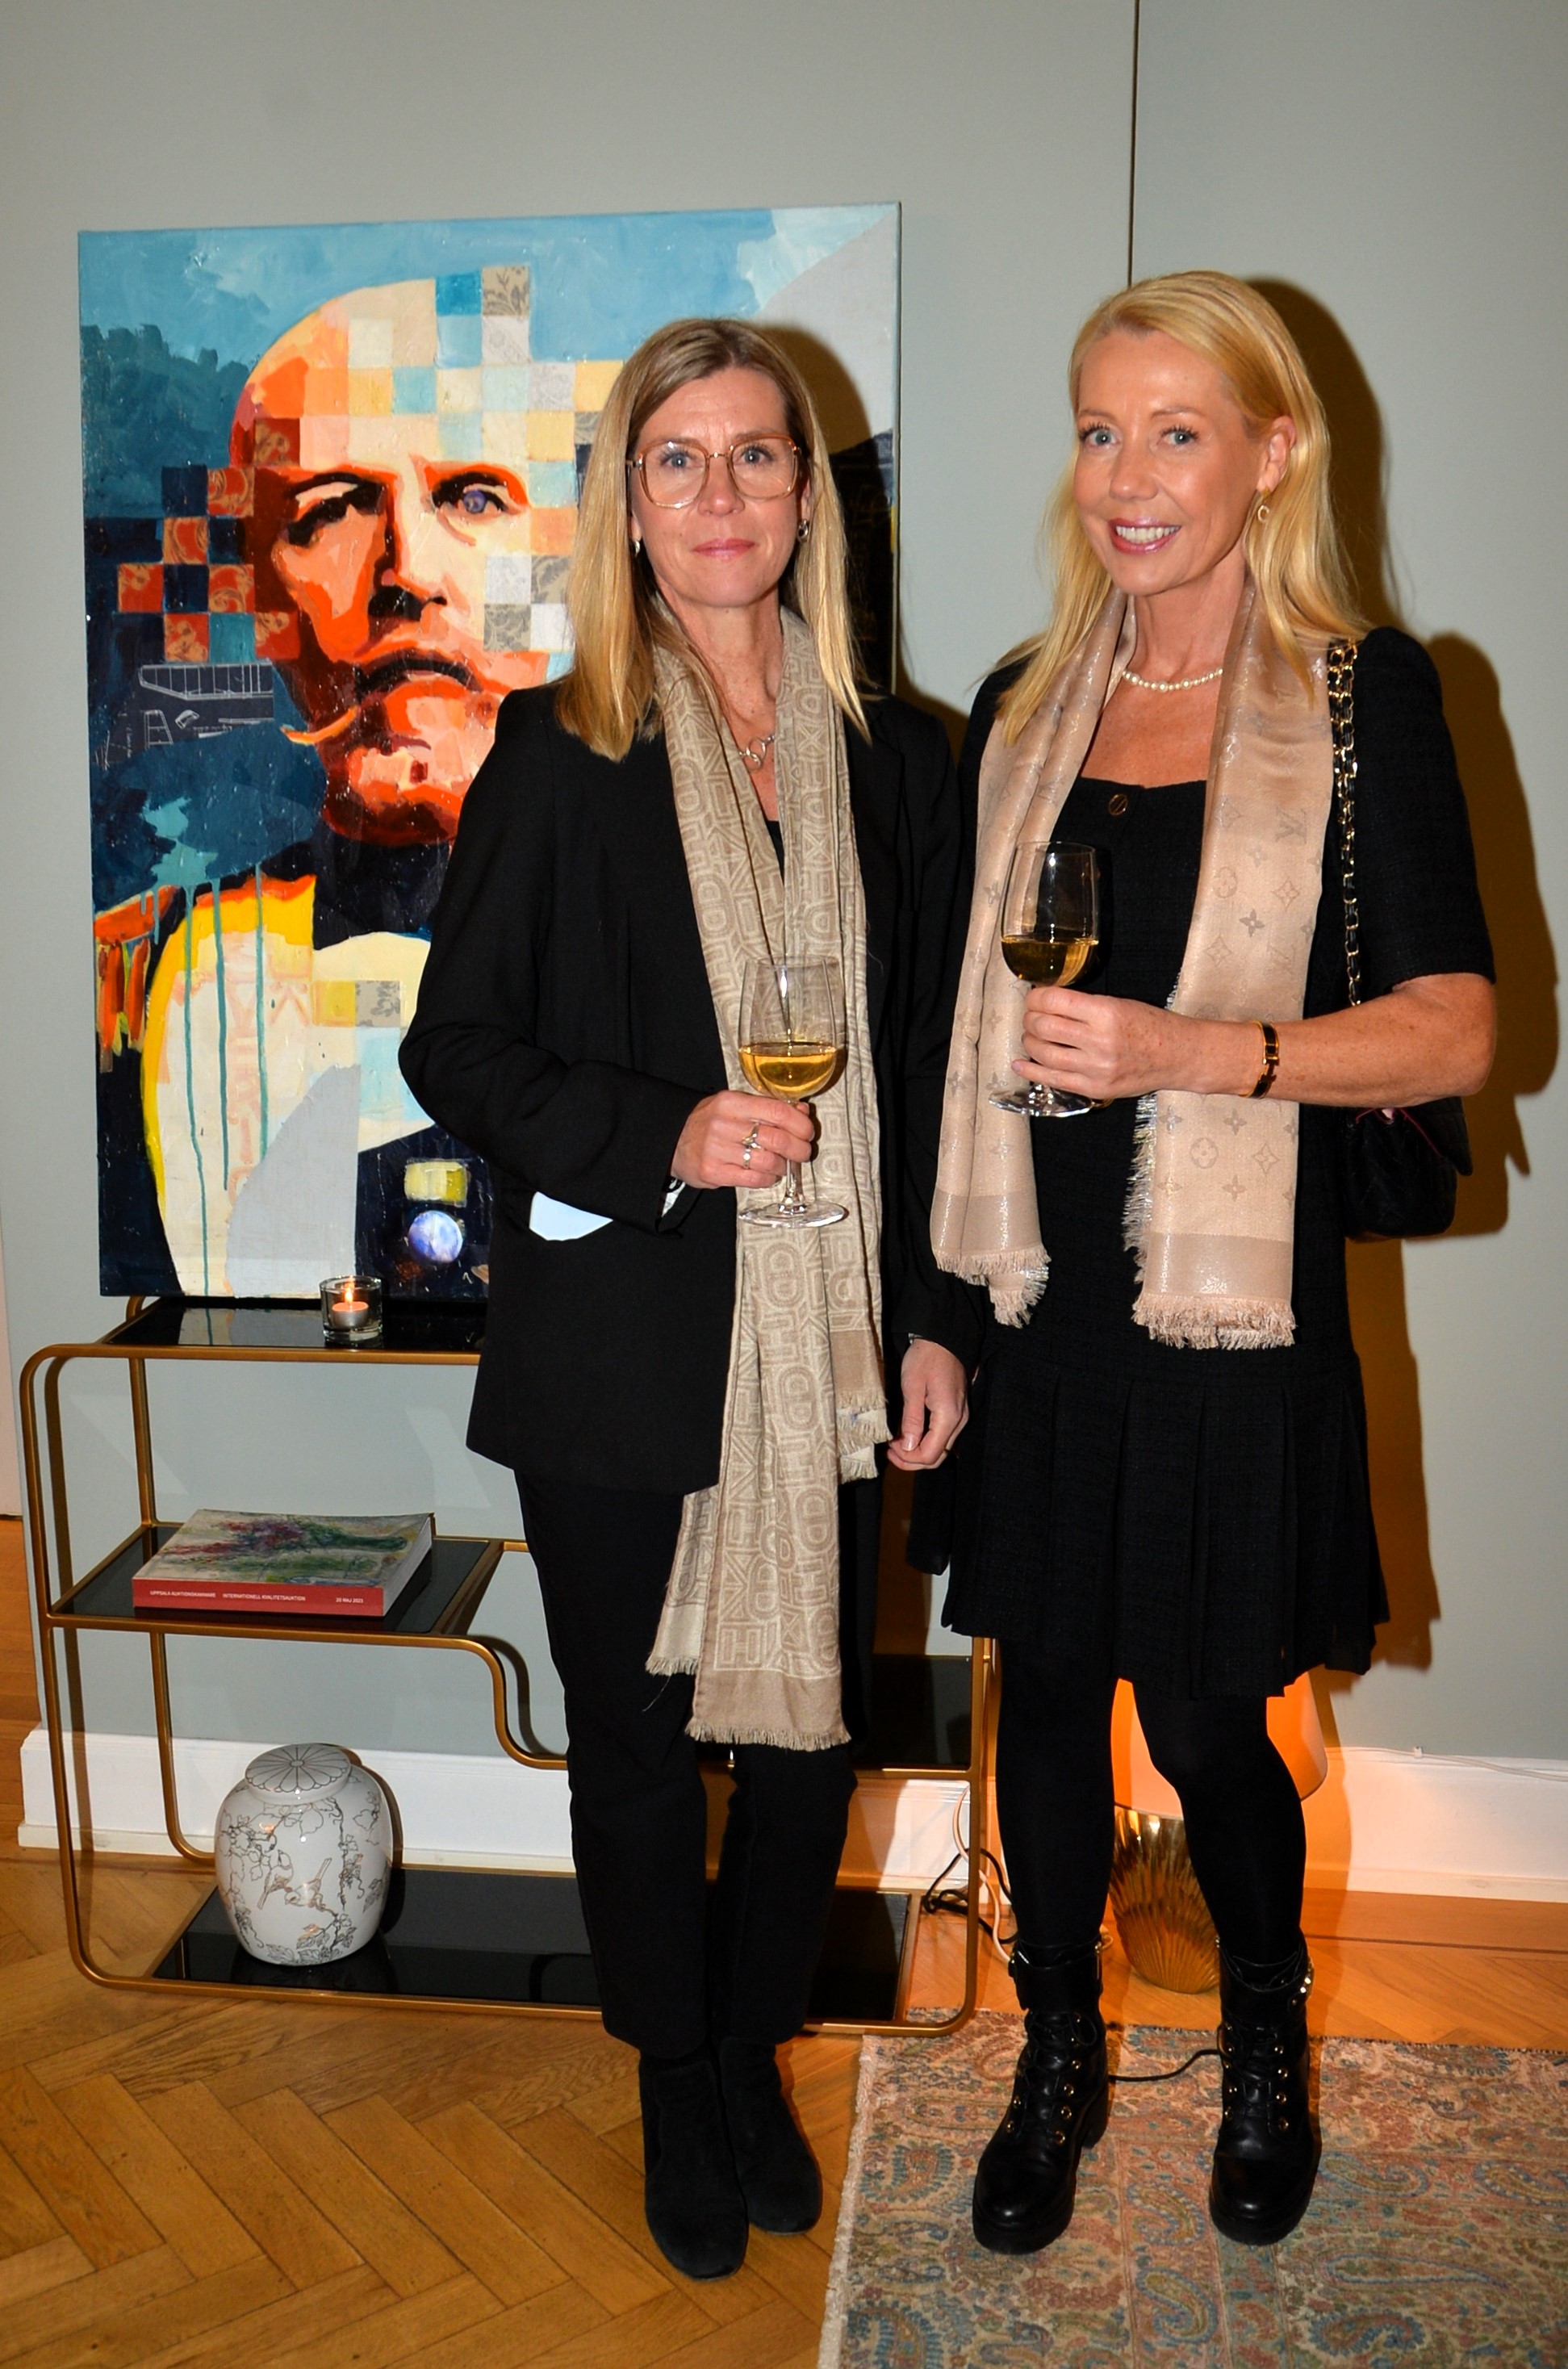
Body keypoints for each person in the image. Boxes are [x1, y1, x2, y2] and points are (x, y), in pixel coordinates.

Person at [399, 316, 977, 2279]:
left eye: (755, 455)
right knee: (639, 1745)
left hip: (830, 1336)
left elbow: (933, 1059)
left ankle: (748, 2054)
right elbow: (457, 1050)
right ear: (627, 509)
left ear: (807, 495)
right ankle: (670, 2075)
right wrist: (664, 1132)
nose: (720, 494)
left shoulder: (903, 758)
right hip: (622, 1342)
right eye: (678, 460)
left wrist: (931, 1316)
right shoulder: (558, 752)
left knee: (809, 1746)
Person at [934, 272, 1494, 2255]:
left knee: (1195, 1719)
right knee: (1036, 1703)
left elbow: (1450, 1030)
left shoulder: (1360, 695)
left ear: (1271, 450)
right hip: (1035, 1298)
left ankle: (1264, 2039)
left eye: (1175, 432)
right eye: (1098, 431)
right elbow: (950, 1038)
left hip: (1226, 1310)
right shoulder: (1023, 702)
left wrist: (1196, 1053)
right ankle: (1054, 2051)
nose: (1126, 476)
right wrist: (934, 1322)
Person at [129, 272, 615, 1297]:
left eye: (474, 497)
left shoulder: (675, 910)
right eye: (331, 512)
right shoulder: (174, 987)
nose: (407, 570)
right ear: (263, 600)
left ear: (578, 555)